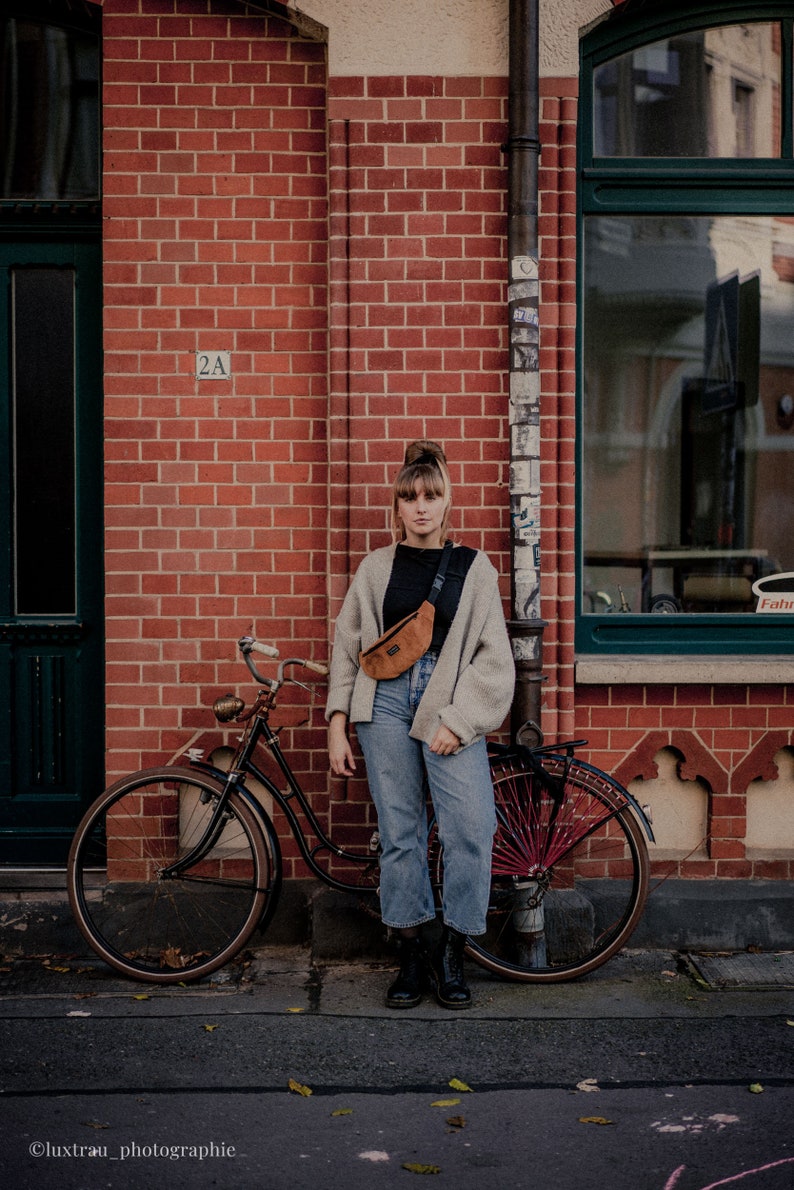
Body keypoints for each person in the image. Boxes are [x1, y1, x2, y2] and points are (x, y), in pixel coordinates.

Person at [326, 440, 515, 1009]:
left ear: (448, 500)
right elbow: (348, 645)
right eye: (410, 498)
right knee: (401, 832)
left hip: (448, 703)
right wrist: (337, 721)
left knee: (472, 828)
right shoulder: (375, 567)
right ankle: (410, 952)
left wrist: (460, 720)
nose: (422, 507)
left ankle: (453, 950)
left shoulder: (472, 568)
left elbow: (494, 658)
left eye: (431, 496)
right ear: (398, 507)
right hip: (381, 704)